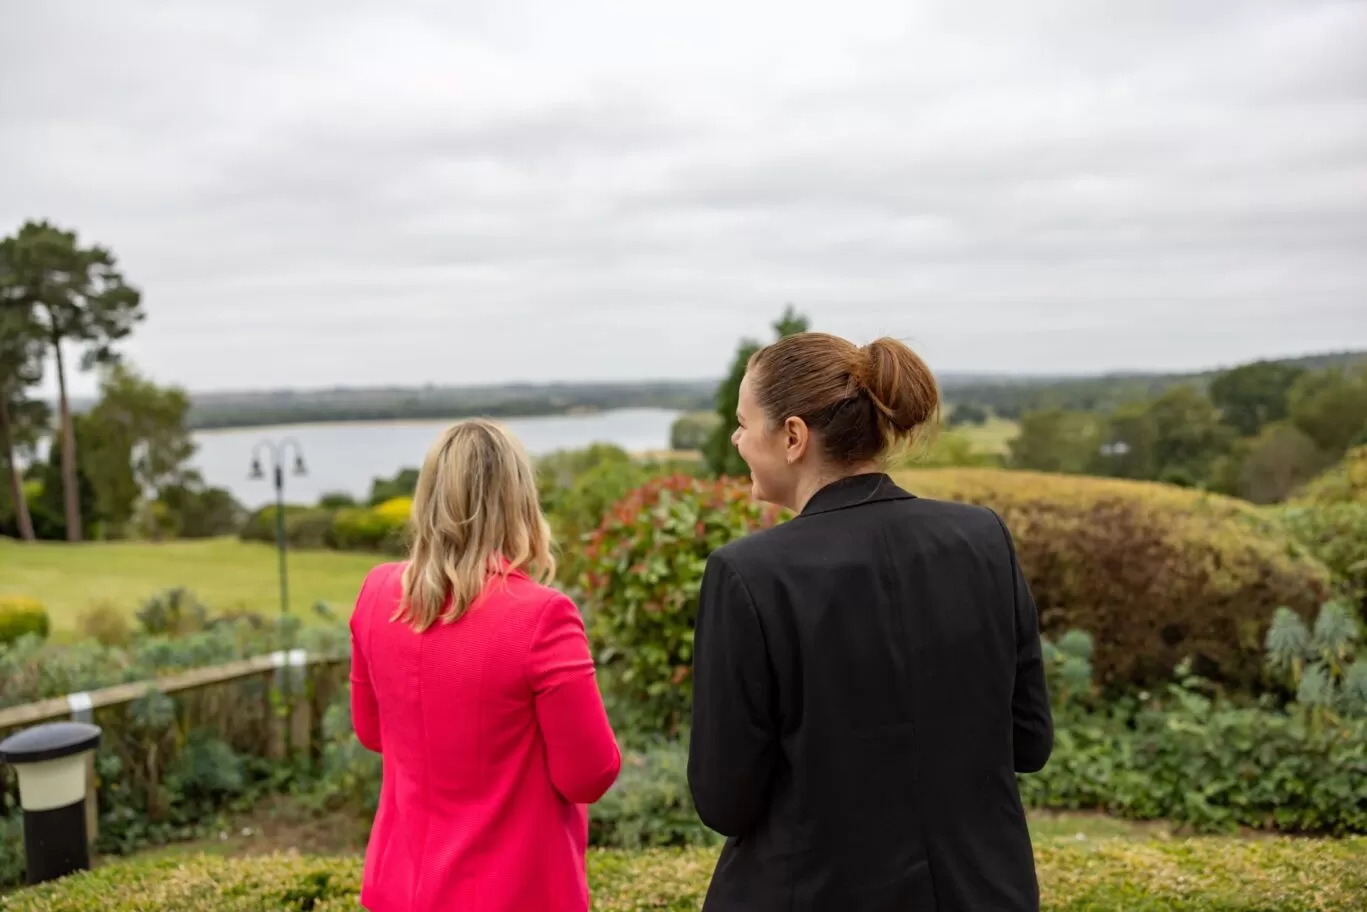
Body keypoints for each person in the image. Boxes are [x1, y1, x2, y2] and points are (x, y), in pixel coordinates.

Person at [687, 332, 1053, 911]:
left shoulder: (749, 574)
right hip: (983, 893)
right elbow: (1029, 742)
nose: (735, 438)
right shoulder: (983, 538)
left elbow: (723, 799)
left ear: (792, 437)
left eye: (743, 422)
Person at [348, 418, 622, 912]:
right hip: (514, 893)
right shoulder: (542, 616)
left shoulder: (376, 593)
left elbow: (372, 732)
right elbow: (589, 775)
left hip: (400, 889)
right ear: (520, 502)